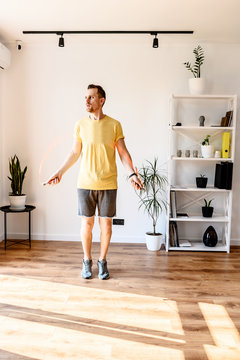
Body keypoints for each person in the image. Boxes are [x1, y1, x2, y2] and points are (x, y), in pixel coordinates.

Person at [47, 84, 143, 280]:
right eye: (85, 97)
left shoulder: (114, 125)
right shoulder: (80, 124)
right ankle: (86, 261)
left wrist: (132, 174)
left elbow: (123, 154)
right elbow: (74, 152)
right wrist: (60, 172)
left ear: (101, 101)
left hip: (108, 183)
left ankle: (103, 261)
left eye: (91, 97)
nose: (86, 101)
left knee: (106, 226)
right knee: (87, 224)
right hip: (85, 182)